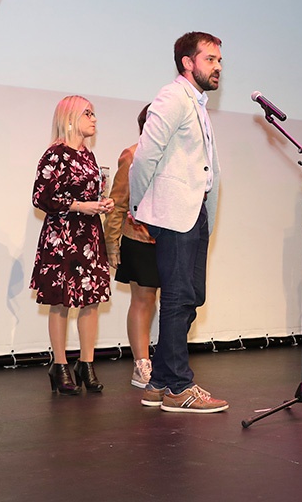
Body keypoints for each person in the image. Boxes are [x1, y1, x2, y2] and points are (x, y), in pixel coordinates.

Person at [128, 31, 227, 413]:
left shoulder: (196, 103)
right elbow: (144, 156)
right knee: (177, 297)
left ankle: (159, 382)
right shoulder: (172, 97)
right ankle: (179, 387)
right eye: (210, 59)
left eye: (219, 61)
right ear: (188, 62)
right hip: (174, 212)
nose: (218, 67)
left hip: (194, 212)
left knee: (191, 296)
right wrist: (140, 205)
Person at [30, 95, 115, 394]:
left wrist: (103, 203)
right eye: (87, 113)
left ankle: (86, 364)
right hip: (63, 236)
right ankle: (60, 365)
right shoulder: (55, 154)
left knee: (91, 300)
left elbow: (90, 194)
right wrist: (80, 206)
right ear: (69, 118)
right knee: (61, 301)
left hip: (88, 236)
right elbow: (41, 197)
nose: (94, 119)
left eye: (94, 113)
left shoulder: (88, 155)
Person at [104, 104, 160, 389]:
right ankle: (141, 364)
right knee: (144, 299)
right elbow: (118, 202)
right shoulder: (132, 155)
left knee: (177, 302)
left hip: (172, 238)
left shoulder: (177, 158)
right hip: (139, 238)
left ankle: (168, 361)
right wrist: (111, 244)